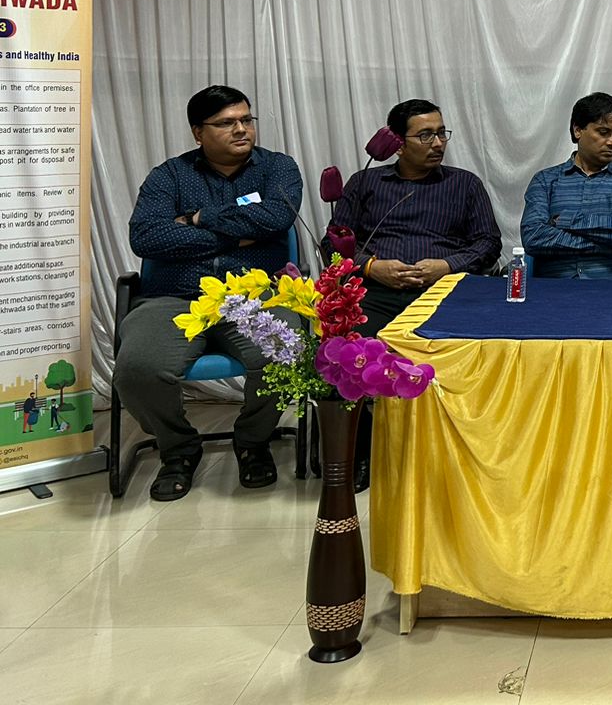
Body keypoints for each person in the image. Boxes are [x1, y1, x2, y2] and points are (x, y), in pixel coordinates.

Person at [114, 85, 303, 500]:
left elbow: (277, 217)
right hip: (174, 297)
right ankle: (179, 448)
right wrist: (237, 235)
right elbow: (147, 237)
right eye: (226, 123)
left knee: (285, 352)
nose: (242, 129)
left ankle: (253, 442)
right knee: (138, 368)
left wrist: (197, 219)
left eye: (246, 119)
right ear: (198, 132)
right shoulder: (169, 176)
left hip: (254, 298)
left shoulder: (277, 168)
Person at [327, 97, 501, 333]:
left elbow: (489, 243)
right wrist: (371, 267)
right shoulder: (364, 182)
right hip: (375, 293)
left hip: (444, 291)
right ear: (398, 145)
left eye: (441, 133)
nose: (438, 144)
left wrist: (447, 265)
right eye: (425, 135)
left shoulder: (465, 184)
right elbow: (333, 242)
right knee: (353, 346)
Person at [521, 92, 612, 279]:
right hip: (554, 290)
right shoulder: (545, 181)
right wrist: (610, 243)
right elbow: (533, 237)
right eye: (603, 132)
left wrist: (565, 221)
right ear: (578, 130)